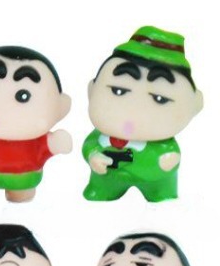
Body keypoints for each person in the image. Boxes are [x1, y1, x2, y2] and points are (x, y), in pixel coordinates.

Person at [82, 26, 203, 201]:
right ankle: (100, 190)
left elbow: (167, 159)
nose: (133, 109)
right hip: (107, 178)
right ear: (92, 91)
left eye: (160, 99)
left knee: (162, 197)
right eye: (118, 91)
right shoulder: (101, 136)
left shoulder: (164, 144)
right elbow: (90, 145)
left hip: (155, 181)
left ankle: (162, 196)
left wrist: (166, 162)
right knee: (98, 193)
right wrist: (93, 156)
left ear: (195, 105)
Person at [0, 46, 72, 202]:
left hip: (23, 179)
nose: (0, 107)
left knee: (21, 199)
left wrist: (56, 143)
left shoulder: (35, 138)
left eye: (23, 96)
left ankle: (20, 199)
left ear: (61, 107)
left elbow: (46, 147)